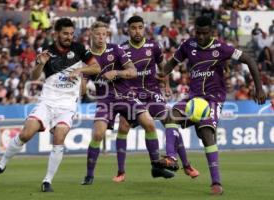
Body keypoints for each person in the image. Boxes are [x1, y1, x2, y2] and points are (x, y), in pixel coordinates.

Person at [0, 18, 101, 192]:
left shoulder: (79, 49)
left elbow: (97, 68)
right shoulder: (47, 51)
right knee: (26, 133)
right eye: (65, 33)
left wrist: (80, 70)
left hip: (67, 105)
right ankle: (1, 165)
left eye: (71, 33)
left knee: (59, 136)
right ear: (56, 34)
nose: (69, 36)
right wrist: (40, 64)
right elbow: (34, 77)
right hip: (47, 102)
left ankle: (47, 181)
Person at [157, 16, 267, 195]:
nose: (200, 37)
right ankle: (171, 157)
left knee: (206, 133)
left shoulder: (221, 47)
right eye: (198, 33)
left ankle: (216, 182)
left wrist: (259, 88)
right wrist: (161, 74)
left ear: (211, 32)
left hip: (213, 99)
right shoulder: (187, 45)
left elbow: (250, 60)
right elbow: (170, 65)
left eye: (204, 33)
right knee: (170, 116)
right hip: (193, 98)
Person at [81, 21, 174, 185]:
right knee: (97, 134)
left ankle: (156, 167)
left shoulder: (116, 50)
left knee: (149, 123)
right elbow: (82, 83)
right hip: (105, 100)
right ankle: (89, 175)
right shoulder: (87, 57)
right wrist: (79, 89)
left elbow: (133, 71)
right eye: (98, 34)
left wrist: (116, 72)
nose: (101, 37)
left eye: (104, 34)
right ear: (91, 35)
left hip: (126, 96)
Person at [112, 16, 199, 183]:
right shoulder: (121, 50)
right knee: (123, 126)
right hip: (132, 95)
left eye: (139, 27)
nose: (137, 31)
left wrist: (166, 85)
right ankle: (121, 172)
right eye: (133, 28)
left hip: (152, 93)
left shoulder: (154, 46)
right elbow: (118, 74)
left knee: (169, 121)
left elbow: (163, 68)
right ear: (127, 30)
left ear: (144, 28)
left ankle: (186, 165)